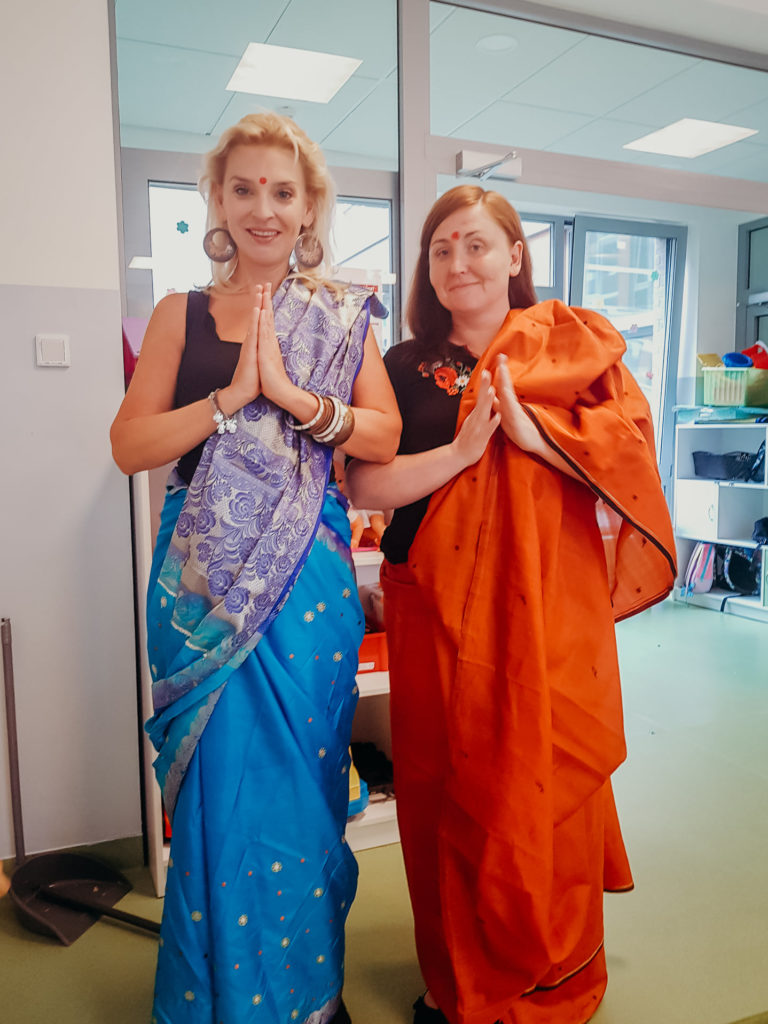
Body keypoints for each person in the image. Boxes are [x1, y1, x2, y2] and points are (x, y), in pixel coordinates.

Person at [345, 185, 677, 1024]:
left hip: (545, 614)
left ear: (515, 255)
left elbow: (629, 460)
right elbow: (364, 485)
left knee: (544, 782)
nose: (458, 263)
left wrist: (539, 438)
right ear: (427, 267)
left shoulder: (566, 349)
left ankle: (550, 974)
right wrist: (463, 453)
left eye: (476, 244)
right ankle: (460, 978)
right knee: (445, 792)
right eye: (441, 249)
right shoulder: (400, 367)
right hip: (434, 605)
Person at [110, 112, 401, 1024]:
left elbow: (383, 435)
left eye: (282, 191)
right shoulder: (180, 313)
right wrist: (230, 397)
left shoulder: (343, 314)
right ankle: (216, 1003)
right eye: (244, 189)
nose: (263, 209)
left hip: (306, 591)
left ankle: (304, 997)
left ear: (309, 205)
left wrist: (294, 399)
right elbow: (129, 445)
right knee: (220, 801)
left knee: (301, 795)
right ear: (217, 199)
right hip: (202, 590)